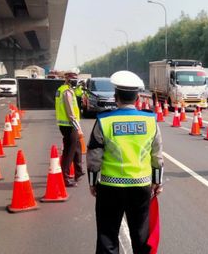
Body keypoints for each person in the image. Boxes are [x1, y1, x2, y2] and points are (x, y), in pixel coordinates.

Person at [87, 70, 164, 254]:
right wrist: (158, 181)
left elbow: (94, 156)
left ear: (116, 96)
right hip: (141, 185)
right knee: (140, 235)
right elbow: (157, 155)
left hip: (109, 186)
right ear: (137, 97)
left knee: (107, 235)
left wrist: (92, 182)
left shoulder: (104, 121)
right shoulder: (150, 121)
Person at [55, 68, 84, 187]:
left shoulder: (66, 89)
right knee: (69, 151)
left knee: (77, 147)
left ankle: (78, 171)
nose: (74, 80)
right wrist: (78, 127)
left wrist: (80, 87)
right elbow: (70, 112)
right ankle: (65, 177)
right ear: (66, 78)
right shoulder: (66, 91)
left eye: (76, 78)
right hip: (69, 124)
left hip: (67, 124)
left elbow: (79, 94)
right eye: (72, 78)